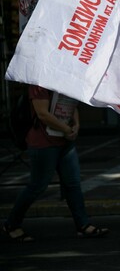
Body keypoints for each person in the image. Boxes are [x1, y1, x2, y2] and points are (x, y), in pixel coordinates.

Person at [2, 85, 109, 241]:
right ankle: (11, 224)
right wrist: (67, 129)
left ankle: (83, 225)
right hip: (43, 143)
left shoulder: (62, 78)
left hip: (64, 141)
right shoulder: (38, 84)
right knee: (38, 186)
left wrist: (76, 126)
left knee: (72, 184)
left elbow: (72, 105)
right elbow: (42, 114)